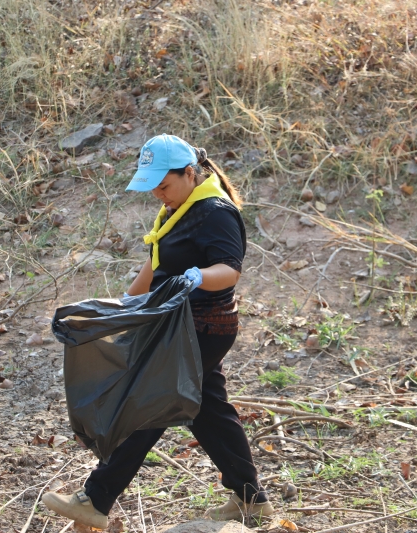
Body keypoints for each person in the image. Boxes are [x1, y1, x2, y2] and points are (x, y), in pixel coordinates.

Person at [43, 134, 273, 528]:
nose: (158, 195)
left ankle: (96, 499)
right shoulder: (176, 209)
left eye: (164, 186)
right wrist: (122, 306)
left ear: (189, 173)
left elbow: (229, 270)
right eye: (153, 188)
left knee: (150, 403)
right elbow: (156, 264)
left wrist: (197, 276)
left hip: (203, 326)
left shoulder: (215, 211)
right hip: (176, 325)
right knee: (209, 411)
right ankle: (251, 498)